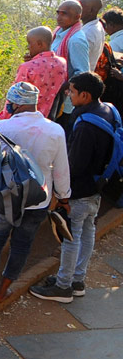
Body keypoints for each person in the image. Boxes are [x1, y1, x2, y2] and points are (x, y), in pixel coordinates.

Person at [0, 82, 70, 304]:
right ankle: (3, 290)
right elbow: (62, 170)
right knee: (22, 245)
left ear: (14, 104)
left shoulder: (2, 127)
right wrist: (64, 197)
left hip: (6, 198)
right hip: (38, 200)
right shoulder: (55, 130)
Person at [31, 72, 119, 302]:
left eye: (71, 91)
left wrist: (63, 195)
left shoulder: (86, 125)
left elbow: (74, 165)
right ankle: (77, 280)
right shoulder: (109, 110)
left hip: (79, 191)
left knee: (70, 237)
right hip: (98, 186)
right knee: (88, 233)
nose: (68, 94)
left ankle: (63, 287)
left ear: (85, 95)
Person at [0, 27, 66, 121]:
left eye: (29, 43)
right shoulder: (62, 63)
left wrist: (3, 120)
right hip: (46, 118)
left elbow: (14, 97)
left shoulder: (27, 67)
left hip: (22, 120)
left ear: (40, 44)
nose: (28, 47)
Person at [53, 0, 91, 128]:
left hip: (64, 101)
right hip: (52, 95)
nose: (59, 17)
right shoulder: (58, 32)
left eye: (65, 14)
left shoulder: (76, 40)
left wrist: (63, 86)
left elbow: (82, 73)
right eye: (58, 13)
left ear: (77, 17)